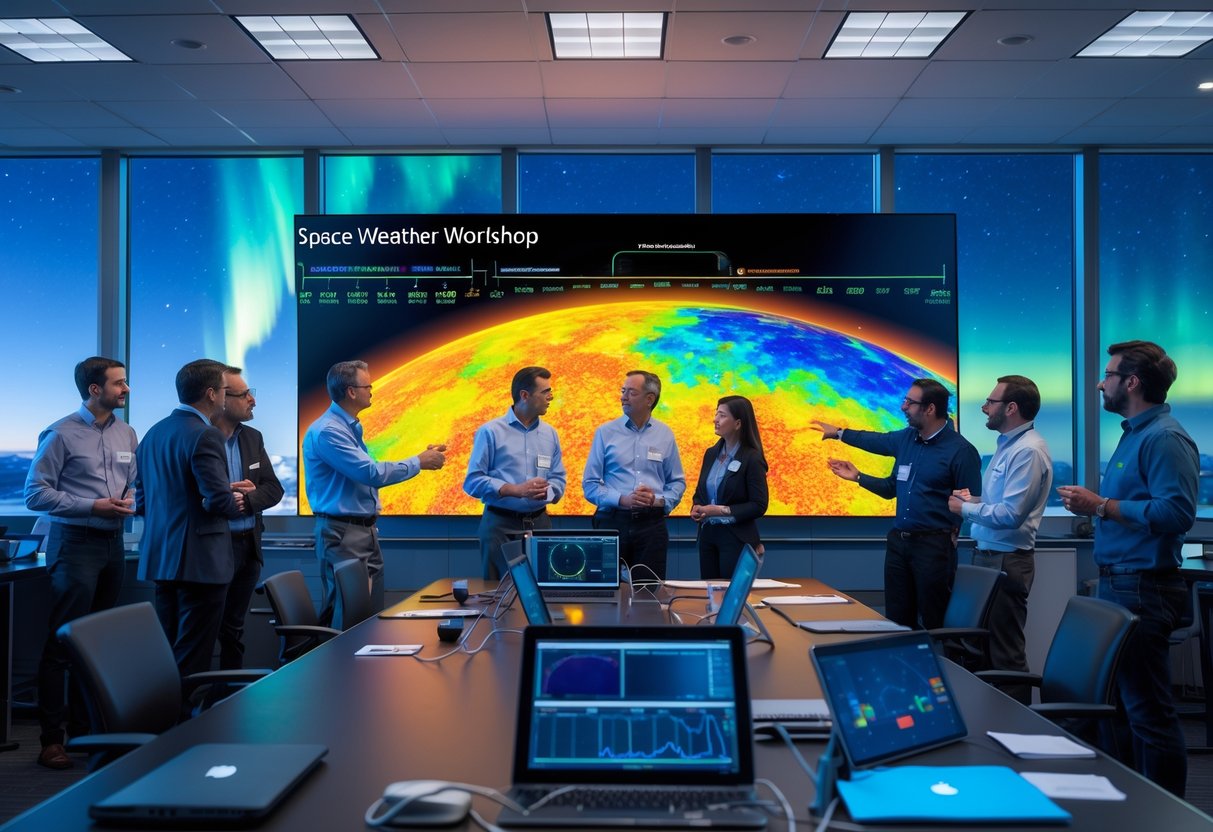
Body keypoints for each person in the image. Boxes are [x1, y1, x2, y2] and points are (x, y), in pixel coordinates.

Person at [1058, 340, 1198, 798]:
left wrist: (1102, 506)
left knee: (1148, 712)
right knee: (1119, 710)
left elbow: (1176, 513)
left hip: (1142, 588)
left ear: (1132, 382)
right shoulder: (1135, 434)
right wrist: (1100, 507)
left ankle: (1166, 816)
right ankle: (1129, 804)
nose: (1101, 383)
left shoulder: (1164, 438)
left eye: (1108, 375)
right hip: (1121, 584)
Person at [23, 357, 137, 770]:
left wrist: (130, 500)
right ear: (94, 389)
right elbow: (35, 494)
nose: (126, 389)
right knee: (63, 643)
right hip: (74, 544)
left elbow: (133, 483)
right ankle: (51, 741)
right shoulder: (60, 433)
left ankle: (86, 732)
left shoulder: (127, 433)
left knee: (95, 641)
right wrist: (92, 505)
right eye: (119, 383)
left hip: (112, 545)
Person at [813, 378, 981, 630]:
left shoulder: (960, 451)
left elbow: (972, 501)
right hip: (899, 544)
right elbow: (880, 454)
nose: (903, 407)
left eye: (910, 402)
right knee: (896, 619)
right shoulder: (907, 439)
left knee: (935, 618)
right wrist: (854, 469)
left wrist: (955, 530)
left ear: (930, 409)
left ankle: (938, 657)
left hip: (934, 547)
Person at [303, 360, 446, 624]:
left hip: (361, 531)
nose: (372, 390)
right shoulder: (328, 432)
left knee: (367, 616)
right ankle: (342, 654)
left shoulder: (348, 427)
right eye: (367, 386)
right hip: (343, 534)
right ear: (351, 392)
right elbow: (371, 474)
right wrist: (419, 462)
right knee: (348, 616)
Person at [135, 359, 244, 685]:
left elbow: (142, 501)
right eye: (224, 390)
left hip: (161, 559)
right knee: (194, 657)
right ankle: (186, 718)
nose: (225, 397)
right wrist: (235, 499)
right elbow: (219, 501)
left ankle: (164, 716)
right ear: (211, 393)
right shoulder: (206, 435)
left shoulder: (153, 433)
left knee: (169, 651)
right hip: (200, 563)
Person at [948, 375, 1052, 701]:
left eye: (990, 402)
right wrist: (975, 501)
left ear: (1011, 408)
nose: (984, 408)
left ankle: (1018, 725)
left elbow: (1011, 515)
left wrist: (965, 509)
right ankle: (991, 721)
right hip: (991, 557)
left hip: (1006, 560)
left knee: (1005, 655)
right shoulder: (1008, 446)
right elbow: (1002, 504)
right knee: (985, 652)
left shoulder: (1028, 451)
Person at [464, 367, 566, 580]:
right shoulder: (491, 432)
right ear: (525, 395)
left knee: (542, 590)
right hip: (500, 527)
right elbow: (472, 482)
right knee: (497, 593)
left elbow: (558, 478)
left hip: (540, 525)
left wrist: (549, 492)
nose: (551, 397)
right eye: (545, 392)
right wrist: (515, 490)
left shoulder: (550, 434)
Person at [583, 371, 686, 581]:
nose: (623, 397)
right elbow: (590, 484)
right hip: (612, 523)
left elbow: (677, 482)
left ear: (649, 399)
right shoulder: (605, 432)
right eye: (623, 391)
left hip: (651, 526)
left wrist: (657, 501)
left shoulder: (665, 434)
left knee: (649, 591)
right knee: (606, 589)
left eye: (631, 392)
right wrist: (623, 500)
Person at [213, 367, 283, 670]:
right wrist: (229, 498)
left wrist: (248, 500)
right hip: (214, 547)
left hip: (248, 547)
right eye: (244, 394)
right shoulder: (198, 437)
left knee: (234, 630)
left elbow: (274, 489)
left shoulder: (252, 437)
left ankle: (230, 691)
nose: (252, 400)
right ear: (220, 398)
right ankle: (198, 697)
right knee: (205, 631)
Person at [690, 395, 768, 580]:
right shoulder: (711, 453)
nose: (715, 419)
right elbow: (701, 492)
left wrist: (721, 510)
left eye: (722, 415)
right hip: (708, 535)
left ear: (738, 423)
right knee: (710, 591)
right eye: (716, 414)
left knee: (731, 592)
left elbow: (759, 505)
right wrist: (696, 506)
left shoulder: (751, 458)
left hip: (736, 537)